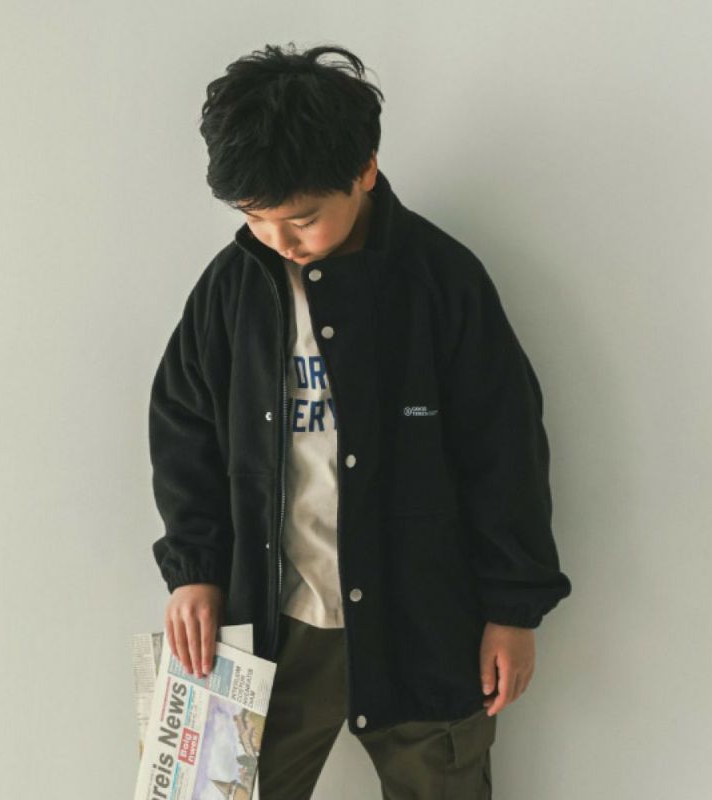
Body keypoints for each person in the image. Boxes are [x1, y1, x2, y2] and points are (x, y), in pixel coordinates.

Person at [148, 42, 572, 799]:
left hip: (425, 622)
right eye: (254, 218)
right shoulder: (233, 288)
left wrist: (514, 609)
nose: (278, 239)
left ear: (366, 170)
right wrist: (196, 570)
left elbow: (504, 447)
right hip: (270, 623)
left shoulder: (441, 281)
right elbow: (184, 429)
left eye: (302, 219)